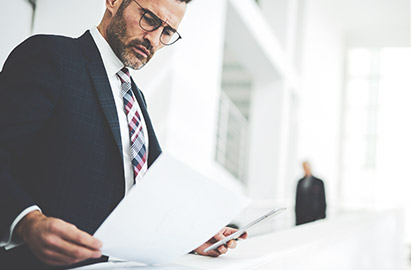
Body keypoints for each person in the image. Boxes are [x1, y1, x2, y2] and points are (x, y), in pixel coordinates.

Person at [0, 0, 246, 268]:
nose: (153, 38)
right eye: (149, 19)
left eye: (167, 32)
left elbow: (147, 191)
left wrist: (193, 234)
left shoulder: (136, 97)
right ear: (113, 2)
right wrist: (27, 222)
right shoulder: (50, 56)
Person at [295, 161, 327, 225]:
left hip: (315, 216)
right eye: (304, 167)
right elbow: (297, 200)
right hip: (302, 217)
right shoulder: (300, 182)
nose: (306, 169)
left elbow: (322, 200)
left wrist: (322, 216)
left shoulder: (319, 182)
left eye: (307, 167)